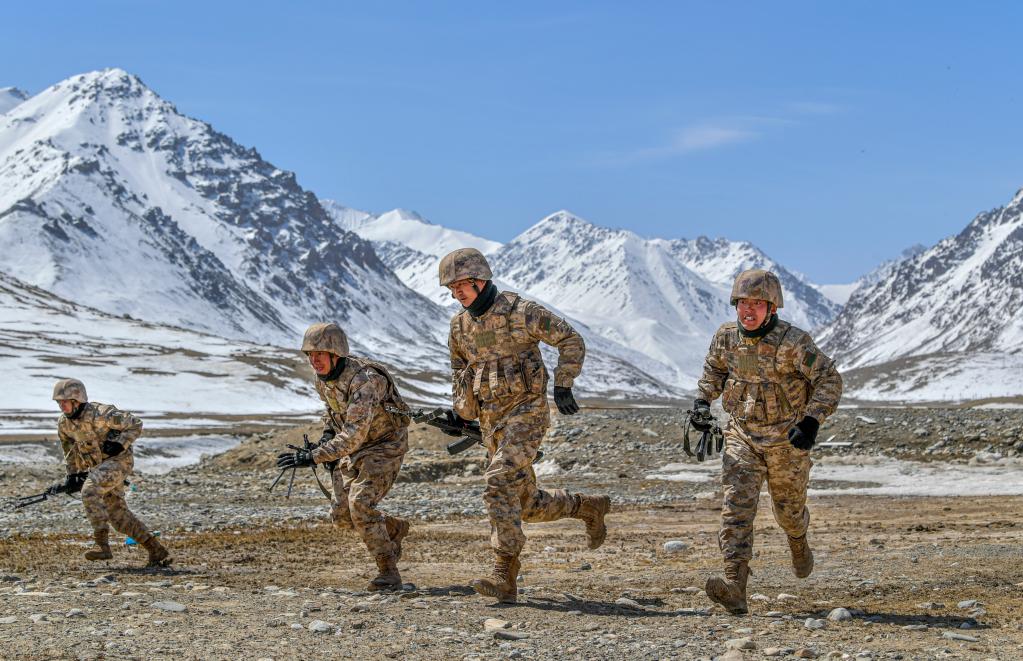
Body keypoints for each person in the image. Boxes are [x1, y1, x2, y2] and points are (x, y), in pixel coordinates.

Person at [440, 247, 611, 604]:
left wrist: (564, 383)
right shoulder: (459, 326)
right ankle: (586, 506)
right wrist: (463, 411)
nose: (456, 294)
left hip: (527, 414)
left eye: (461, 285)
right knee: (526, 504)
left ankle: (504, 573)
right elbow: (460, 369)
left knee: (498, 480)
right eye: (451, 288)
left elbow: (570, 339)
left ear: (480, 280)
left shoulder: (521, 312)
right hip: (492, 423)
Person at [695, 269, 842, 615]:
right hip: (742, 435)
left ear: (772, 308)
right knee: (736, 507)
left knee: (788, 512)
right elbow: (714, 370)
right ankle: (735, 586)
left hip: (786, 441)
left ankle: (798, 540)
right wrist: (701, 403)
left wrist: (811, 421)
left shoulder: (794, 342)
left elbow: (829, 380)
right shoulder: (726, 338)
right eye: (743, 303)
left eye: (757, 304)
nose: (748, 310)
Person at [277, 323, 412, 590]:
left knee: (360, 504)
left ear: (335, 353)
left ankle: (388, 572)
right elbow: (334, 413)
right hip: (354, 447)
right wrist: (327, 437)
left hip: (384, 446)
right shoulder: (323, 380)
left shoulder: (364, 381)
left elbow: (353, 435)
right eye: (310, 355)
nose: (314, 360)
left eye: (319, 354)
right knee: (342, 515)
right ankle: (393, 529)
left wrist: (314, 456)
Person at [49, 378, 170, 567]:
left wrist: (120, 444)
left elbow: (135, 423)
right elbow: (69, 451)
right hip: (99, 467)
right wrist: (73, 475)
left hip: (119, 461)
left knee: (89, 491)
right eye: (59, 402)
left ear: (77, 400)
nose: (61, 406)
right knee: (117, 516)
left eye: (64, 402)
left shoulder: (102, 413)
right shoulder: (64, 424)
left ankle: (102, 546)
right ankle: (156, 550)